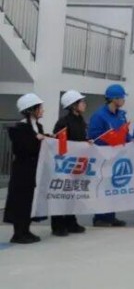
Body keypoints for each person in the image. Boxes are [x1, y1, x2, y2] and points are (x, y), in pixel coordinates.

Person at [4, 94, 48, 244]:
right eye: (39, 108)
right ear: (31, 110)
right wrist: (36, 139)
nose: (42, 110)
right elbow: (21, 149)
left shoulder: (38, 127)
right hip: (22, 170)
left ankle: (26, 230)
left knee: (30, 200)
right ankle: (18, 233)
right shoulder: (20, 128)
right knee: (21, 200)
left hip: (34, 169)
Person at [88, 84, 131, 227]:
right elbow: (94, 136)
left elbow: (124, 132)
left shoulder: (121, 115)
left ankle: (111, 216)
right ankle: (99, 217)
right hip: (103, 156)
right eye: (122, 97)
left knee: (113, 187)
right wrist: (110, 139)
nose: (123, 100)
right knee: (103, 186)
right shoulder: (99, 116)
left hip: (117, 156)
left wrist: (130, 139)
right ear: (114, 99)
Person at [50, 90, 89, 236]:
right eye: (81, 102)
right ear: (73, 106)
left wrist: (87, 142)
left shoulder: (81, 121)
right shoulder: (63, 122)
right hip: (65, 165)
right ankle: (57, 225)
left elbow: (80, 139)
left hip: (77, 164)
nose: (84, 104)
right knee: (61, 195)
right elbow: (58, 143)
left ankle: (71, 221)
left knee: (73, 195)